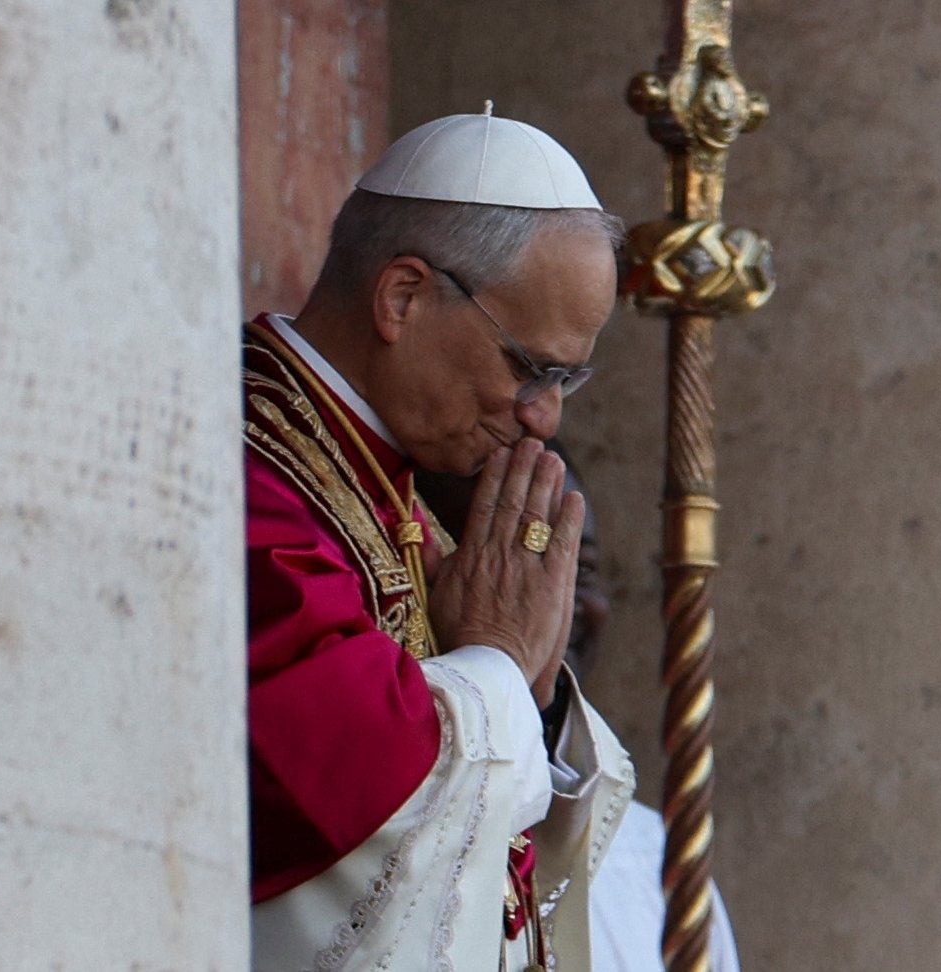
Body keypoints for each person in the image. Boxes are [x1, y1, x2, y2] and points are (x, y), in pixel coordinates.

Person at [244, 107, 635, 972]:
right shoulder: (242, 469)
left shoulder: (399, 493)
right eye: (528, 367)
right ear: (403, 296)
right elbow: (293, 777)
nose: (544, 415)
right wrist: (495, 663)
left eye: (569, 377)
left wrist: (530, 688)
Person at [418, 444, 742, 972]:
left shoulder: (653, 854)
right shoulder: (397, 841)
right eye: (510, 564)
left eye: (577, 568)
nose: (549, 602)